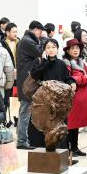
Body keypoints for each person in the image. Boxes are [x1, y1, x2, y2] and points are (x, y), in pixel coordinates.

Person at [26, 38, 74, 149]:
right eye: (48, 47)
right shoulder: (39, 62)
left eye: (53, 47)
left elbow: (67, 78)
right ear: (44, 50)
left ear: (57, 49)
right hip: (43, 101)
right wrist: (45, 63)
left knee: (58, 128)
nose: (51, 50)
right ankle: (41, 149)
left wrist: (72, 82)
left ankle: (59, 150)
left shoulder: (61, 64)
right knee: (42, 126)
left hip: (58, 102)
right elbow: (34, 75)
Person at [14, 20, 45, 150]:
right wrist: (44, 41)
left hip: (27, 80)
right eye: (41, 32)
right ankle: (22, 140)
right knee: (25, 111)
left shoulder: (27, 40)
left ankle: (23, 139)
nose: (41, 34)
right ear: (36, 29)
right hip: (27, 82)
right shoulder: (28, 41)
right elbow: (40, 51)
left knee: (25, 110)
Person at [64, 38, 87, 156]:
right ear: (68, 51)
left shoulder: (81, 62)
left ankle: (75, 147)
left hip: (82, 98)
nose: (75, 50)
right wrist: (84, 78)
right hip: (72, 98)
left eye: (77, 48)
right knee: (71, 124)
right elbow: (69, 79)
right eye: (72, 48)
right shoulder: (66, 63)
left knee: (76, 124)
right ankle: (69, 148)